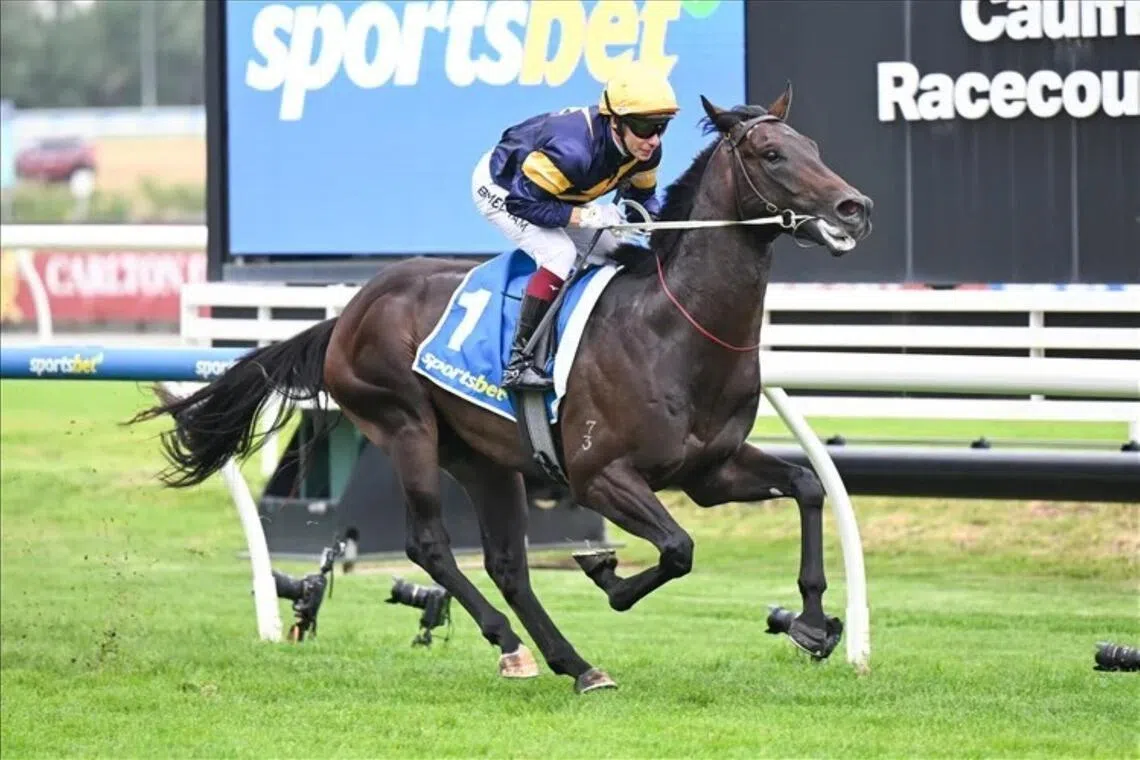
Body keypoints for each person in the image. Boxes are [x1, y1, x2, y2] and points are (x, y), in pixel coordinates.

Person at [471, 61, 680, 391]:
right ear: (615, 123)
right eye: (643, 126)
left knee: (616, 252)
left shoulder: (646, 152)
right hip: (506, 187)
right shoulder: (573, 152)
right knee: (560, 254)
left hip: (553, 193)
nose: (653, 139)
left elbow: (643, 198)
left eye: (661, 127)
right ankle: (519, 361)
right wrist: (585, 216)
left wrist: (654, 224)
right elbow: (522, 204)